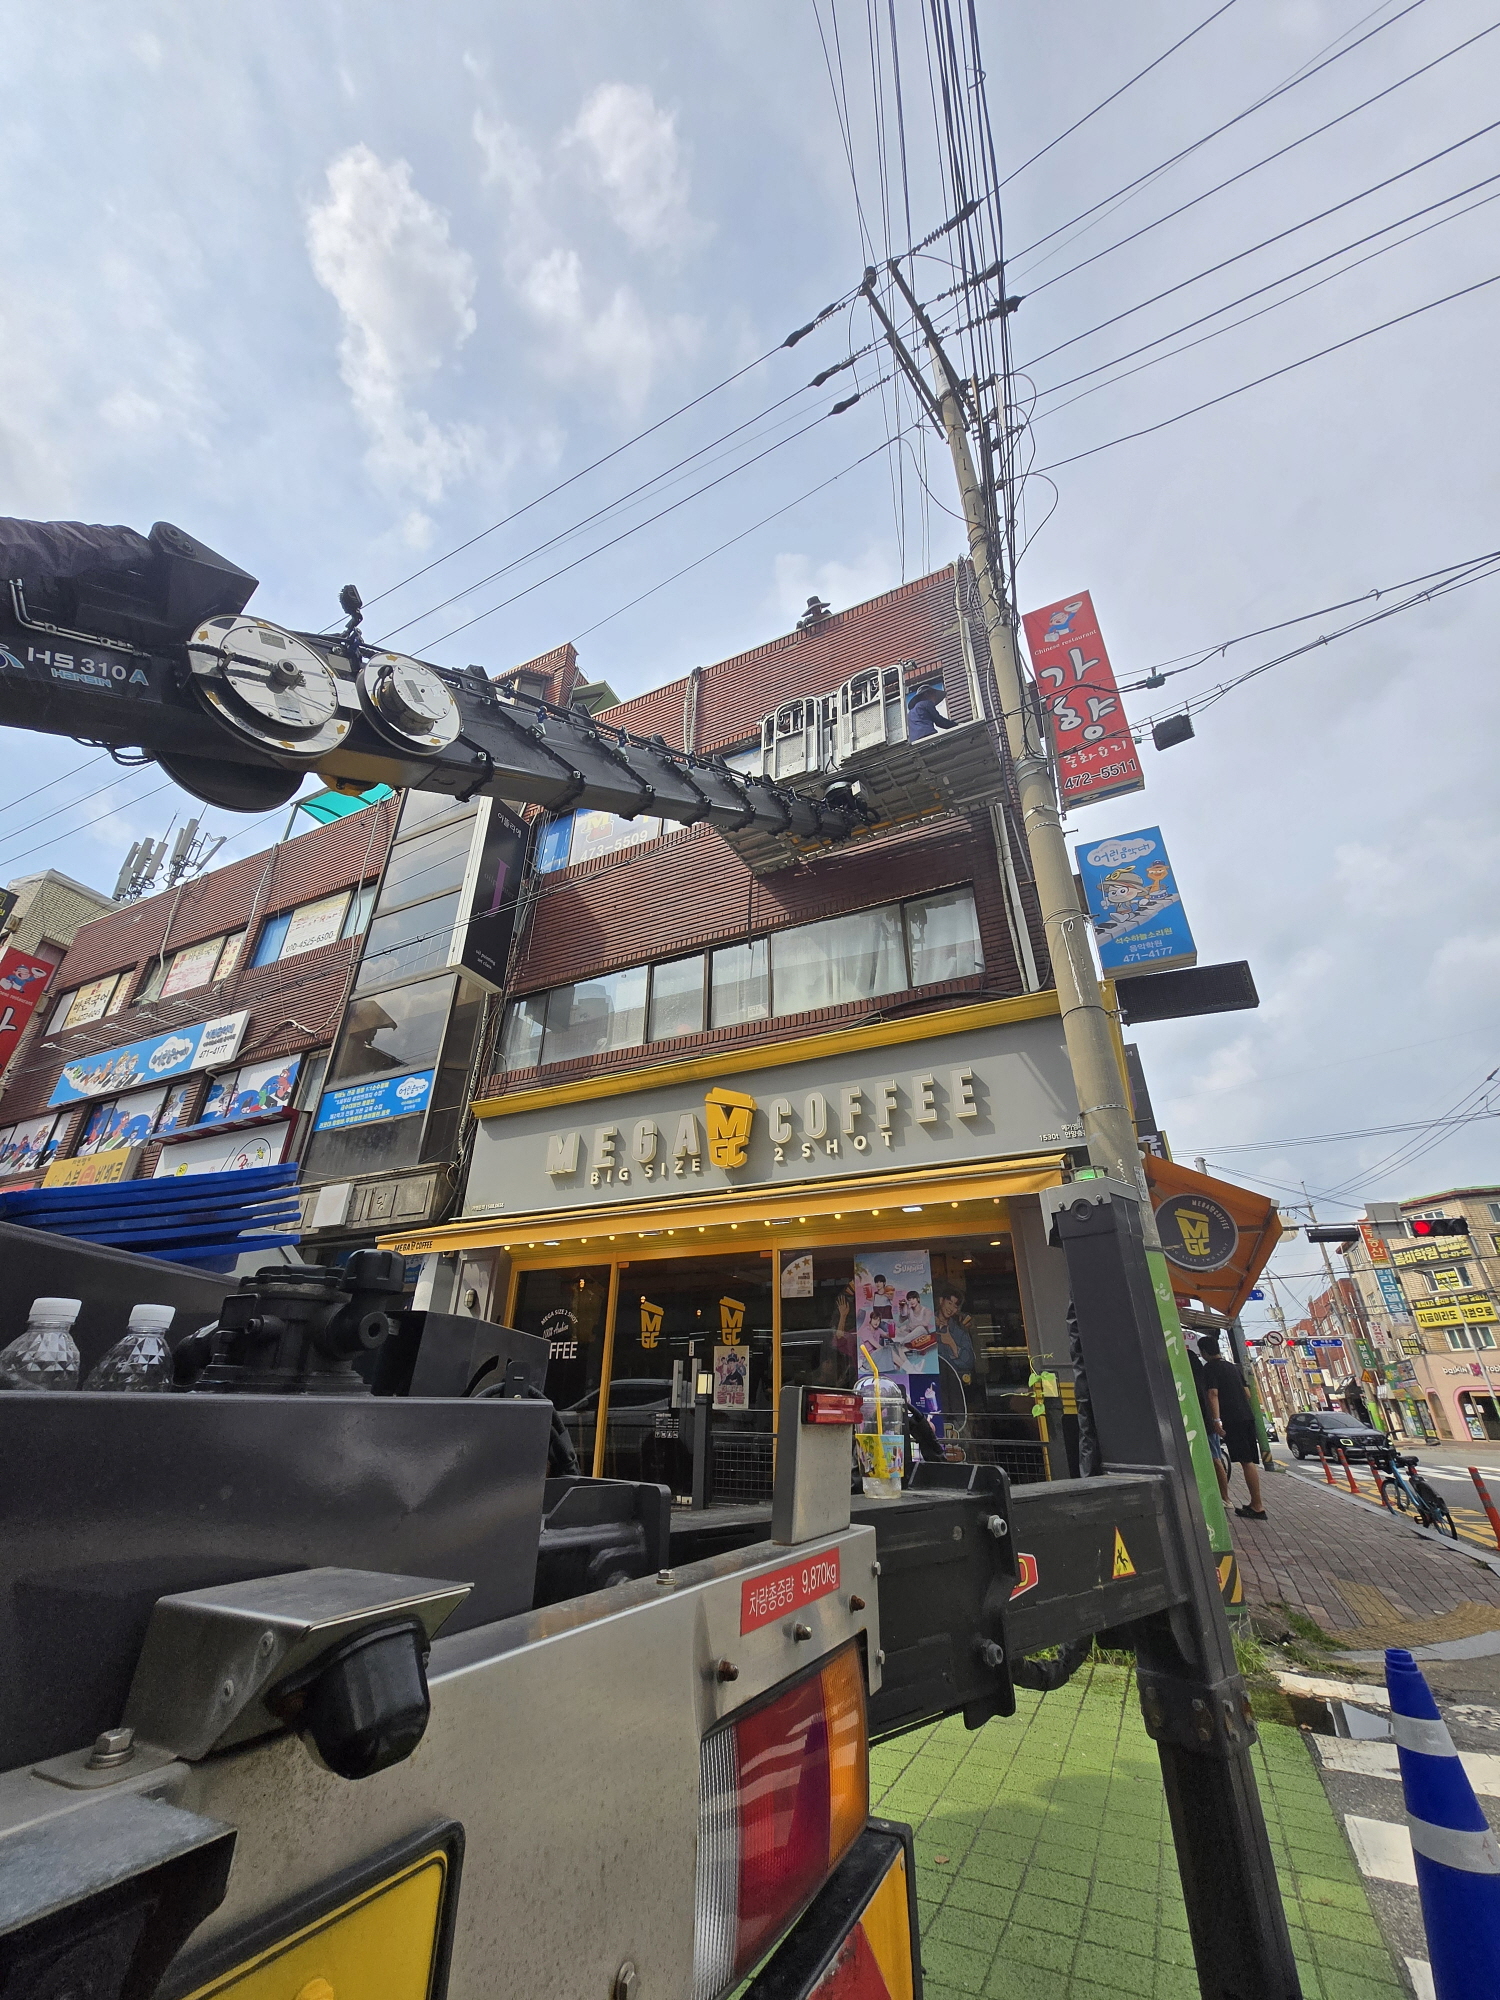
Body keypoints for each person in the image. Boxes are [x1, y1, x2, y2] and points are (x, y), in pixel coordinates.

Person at [1197, 1332, 1266, 1519]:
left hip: (1233, 1420)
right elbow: (1247, 1393)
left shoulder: (1210, 1369)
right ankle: (1255, 1503)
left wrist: (1216, 1420)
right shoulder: (1232, 1367)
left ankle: (1257, 1506)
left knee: (1245, 1462)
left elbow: (1213, 1394)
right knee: (1248, 1461)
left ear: (1204, 1352)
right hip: (1247, 1417)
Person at [1188, 1342, 1230, 1503]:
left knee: (1215, 1459)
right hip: (1210, 1424)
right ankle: (1224, 1497)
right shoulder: (1203, 1379)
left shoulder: (1193, 1383)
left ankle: (1225, 1498)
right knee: (1216, 1458)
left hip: (1205, 1424)